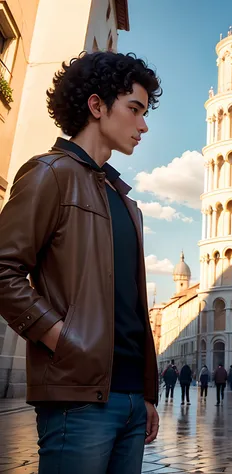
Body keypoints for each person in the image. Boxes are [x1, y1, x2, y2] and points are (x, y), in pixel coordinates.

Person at [0, 51, 163, 474]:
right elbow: (4, 270)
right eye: (135, 109)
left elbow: (128, 303)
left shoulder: (126, 202)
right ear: (96, 106)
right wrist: (62, 339)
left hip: (129, 399)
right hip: (76, 397)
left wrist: (144, 395)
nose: (144, 125)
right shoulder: (49, 173)